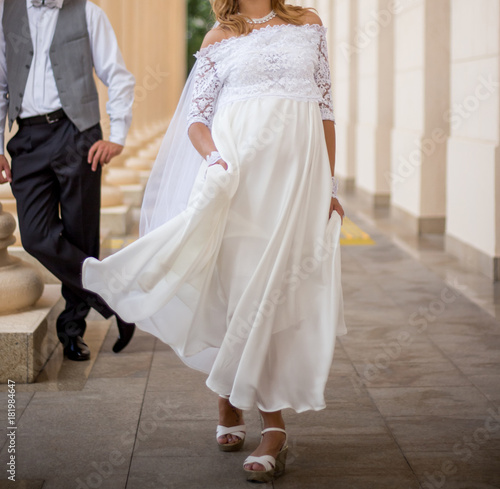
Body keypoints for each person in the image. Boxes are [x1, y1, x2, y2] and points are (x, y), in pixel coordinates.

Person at [83, 0, 347, 482]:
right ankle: (259, 418)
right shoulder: (217, 39)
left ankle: (246, 407)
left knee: (278, 291)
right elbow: (197, 120)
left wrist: (329, 184)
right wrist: (215, 160)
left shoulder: (309, 23)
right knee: (241, 289)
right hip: (239, 183)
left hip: (296, 184)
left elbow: (325, 107)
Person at [0, 0, 136, 361]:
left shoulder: (88, 12)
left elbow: (117, 75)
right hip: (27, 138)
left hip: (78, 135)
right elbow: (0, 83)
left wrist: (117, 135)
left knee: (80, 233)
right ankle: (114, 299)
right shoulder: (5, 10)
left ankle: (72, 331)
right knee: (34, 236)